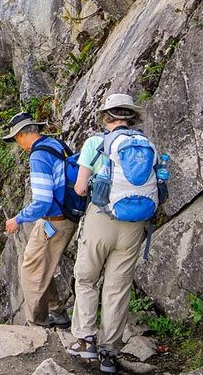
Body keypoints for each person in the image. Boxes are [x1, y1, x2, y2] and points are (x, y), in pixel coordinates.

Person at [67, 93, 154, 374]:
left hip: (101, 218)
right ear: (131, 118)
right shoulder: (145, 144)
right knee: (118, 287)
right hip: (135, 225)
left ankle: (85, 339)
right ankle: (108, 353)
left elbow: (81, 188)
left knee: (87, 278)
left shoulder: (96, 142)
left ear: (106, 117)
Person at [3, 112, 77, 329]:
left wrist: (18, 218)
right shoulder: (55, 144)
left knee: (30, 271)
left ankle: (37, 326)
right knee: (41, 266)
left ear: (22, 134)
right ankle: (58, 313)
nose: (18, 144)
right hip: (68, 216)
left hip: (54, 220)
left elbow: (43, 201)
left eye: (16, 138)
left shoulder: (38, 156)